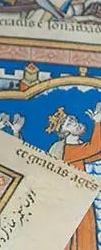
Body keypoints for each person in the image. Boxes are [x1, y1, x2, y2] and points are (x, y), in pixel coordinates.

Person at [47, 103, 101, 249]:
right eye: (70, 123)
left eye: (74, 120)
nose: (76, 123)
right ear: (65, 132)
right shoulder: (68, 151)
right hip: (76, 203)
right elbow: (95, 147)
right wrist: (97, 123)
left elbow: (96, 154)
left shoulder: (79, 147)